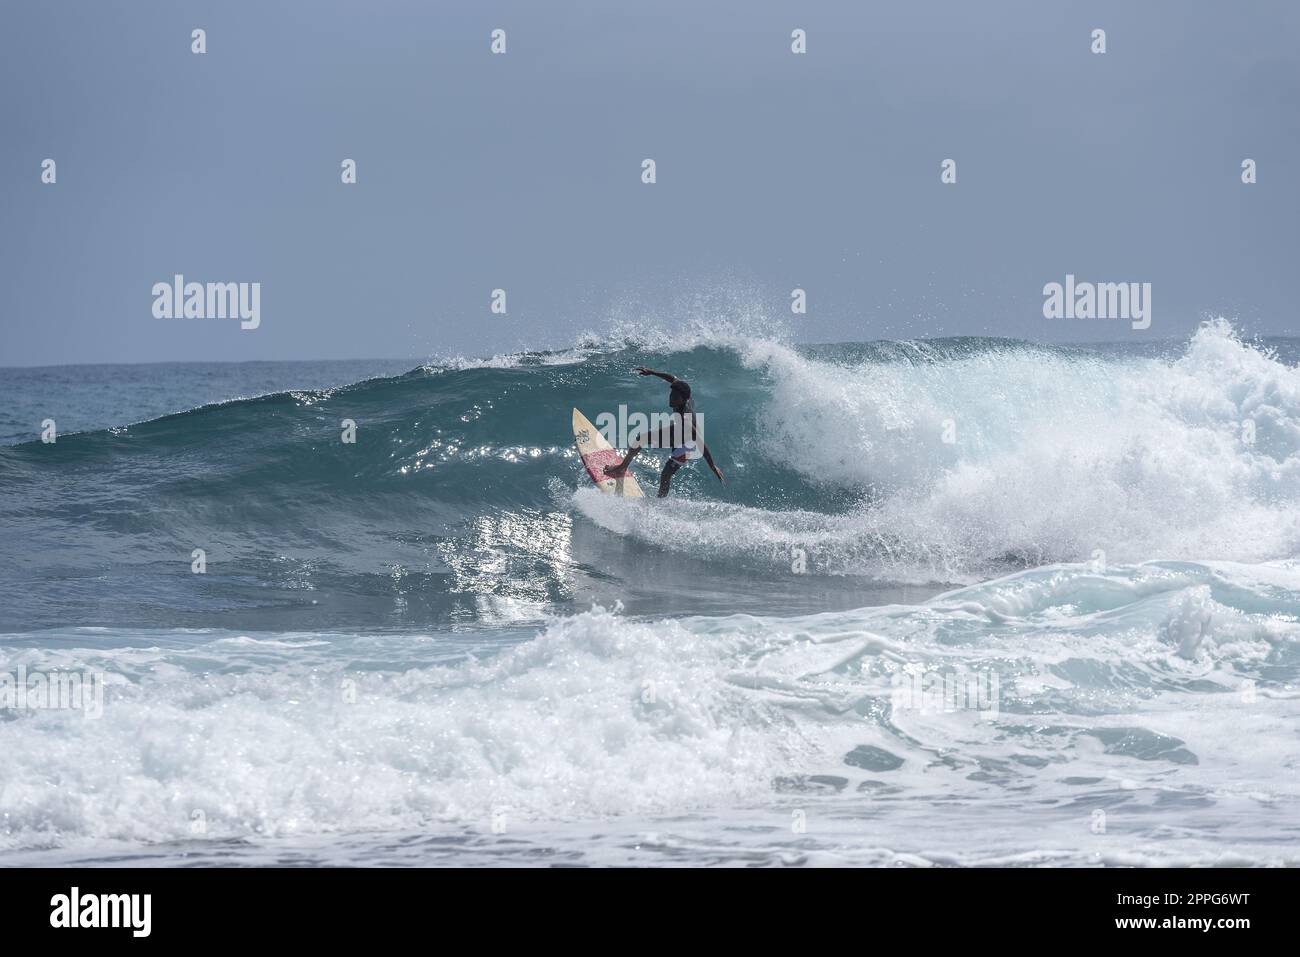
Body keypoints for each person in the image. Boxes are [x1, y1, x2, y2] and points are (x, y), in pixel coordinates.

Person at [604, 367, 725, 497]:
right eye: (671, 395)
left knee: (666, 474)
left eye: (675, 397)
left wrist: (712, 466)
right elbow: (672, 378)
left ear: (684, 400)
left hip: (686, 444)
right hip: (677, 432)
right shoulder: (683, 393)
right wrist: (652, 372)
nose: (671, 399)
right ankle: (622, 467)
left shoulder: (685, 419)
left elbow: (699, 441)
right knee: (641, 439)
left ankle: (659, 502)